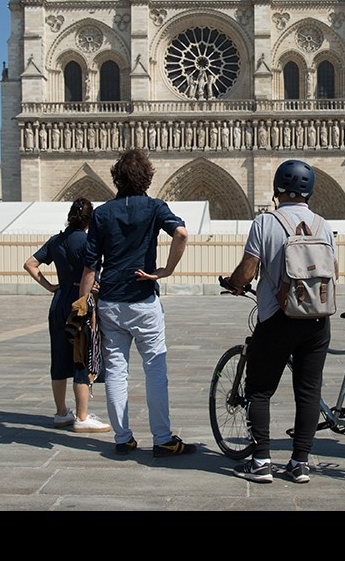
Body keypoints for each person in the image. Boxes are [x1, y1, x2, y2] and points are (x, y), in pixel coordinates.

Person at [76, 148, 194, 458]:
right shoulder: (155, 208)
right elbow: (181, 234)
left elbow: (91, 265)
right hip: (142, 299)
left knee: (116, 371)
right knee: (155, 369)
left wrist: (82, 301)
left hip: (111, 301)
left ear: (116, 178)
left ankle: (123, 438)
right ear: (147, 178)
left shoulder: (102, 213)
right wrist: (165, 271)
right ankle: (163, 438)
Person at [224, 159, 334, 484]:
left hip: (277, 318)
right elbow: (332, 270)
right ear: (309, 191)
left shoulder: (265, 222)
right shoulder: (323, 225)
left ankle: (260, 461)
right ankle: (300, 463)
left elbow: (248, 269)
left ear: (277, 190)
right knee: (309, 392)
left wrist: (235, 284)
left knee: (259, 390)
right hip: (317, 320)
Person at [23, 198, 111, 434]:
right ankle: (82, 416)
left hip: (59, 300)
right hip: (80, 301)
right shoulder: (88, 241)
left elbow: (30, 264)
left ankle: (61, 412)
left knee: (60, 356)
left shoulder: (56, 240)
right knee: (81, 355)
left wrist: (51, 286)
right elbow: (91, 272)